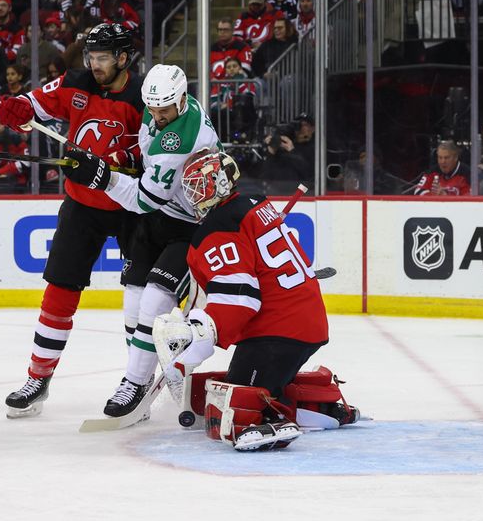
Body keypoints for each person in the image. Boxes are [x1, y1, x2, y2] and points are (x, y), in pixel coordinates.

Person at [153, 151, 358, 451]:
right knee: (251, 387)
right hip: (302, 321)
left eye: (201, 185)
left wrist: (198, 338)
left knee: (232, 409)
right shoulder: (255, 203)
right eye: (191, 188)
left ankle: (266, 420)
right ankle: (325, 407)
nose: (195, 195)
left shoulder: (219, 226)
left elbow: (240, 300)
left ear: (221, 182)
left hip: (277, 331)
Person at [0, 23, 145, 419]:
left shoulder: (142, 97)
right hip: (82, 205)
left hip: (132, 207)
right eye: (91, 57)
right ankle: (38, 378)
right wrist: (19, 109)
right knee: (60, 291)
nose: (93, 65)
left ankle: (141, 380)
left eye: (102, 58)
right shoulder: (76, 82)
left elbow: (156, 161)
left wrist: (123, 167)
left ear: (123, 59)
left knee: (143, 300)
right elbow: (35, 104)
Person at [61, 64, 221, 417]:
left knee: (153, 301)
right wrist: (128, 159)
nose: (158, 116)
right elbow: (149, 161)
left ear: (181, 100)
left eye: (164, 109)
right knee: (133, 301)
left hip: (191, 225)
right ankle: (142, 373)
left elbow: (143, 198)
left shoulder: (180, 139)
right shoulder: (165, 106)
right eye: (153, 109)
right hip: (158, 220)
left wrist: (101, 177)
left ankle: (135, 381)